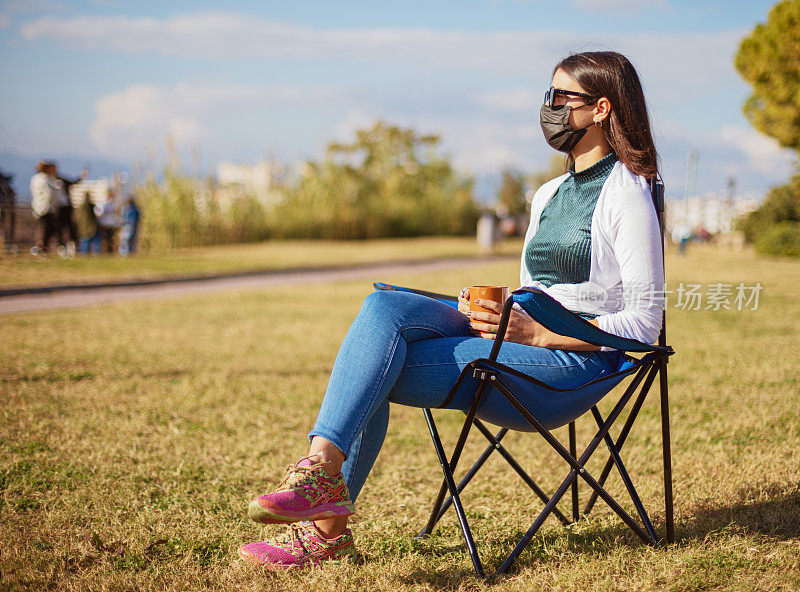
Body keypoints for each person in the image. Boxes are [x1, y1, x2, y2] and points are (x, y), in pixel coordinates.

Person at [238, 51, 665, 569]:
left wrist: (538, 335)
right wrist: (496, 309)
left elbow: (645, 322)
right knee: (383, 307)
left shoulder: (627, 193)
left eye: (560, 98)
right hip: (520, 339)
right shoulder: (548, 194)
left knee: (375, 366)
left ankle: (324, 529)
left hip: (572, 367)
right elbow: (541, 292)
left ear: (600, 108)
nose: (548, 108)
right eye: (546, 96)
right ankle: (322, 472)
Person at [29, 161, 57, 255]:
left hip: (39, 206)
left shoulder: (35, 179)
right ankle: (41, 247)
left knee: (47, 228)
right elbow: (49, 194)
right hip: (45, 207)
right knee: (48, 228)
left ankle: (41, 246)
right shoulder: (45, 179)